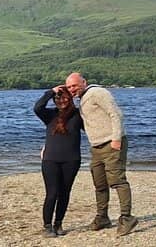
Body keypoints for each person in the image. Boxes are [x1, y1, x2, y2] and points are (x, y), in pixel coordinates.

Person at [64, 72, 138, 236]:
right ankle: (102, 217)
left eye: (74, 86)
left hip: (111, 143)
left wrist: (116, 139)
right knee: (100, 184)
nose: (71, 89)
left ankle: (127, 218)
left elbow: (116, 114)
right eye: (68, 87)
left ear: (84, 82)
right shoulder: (82, 99)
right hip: (96, 147)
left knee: (117, 180)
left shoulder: (97, 93)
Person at [33, 85, 83, 237]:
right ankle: (47, 226)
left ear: (70, 98)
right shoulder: (49, 115)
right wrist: (51, 92)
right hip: (50, 160)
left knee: (64, 193)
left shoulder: (78, 115)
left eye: (64, 97)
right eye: (58, 98)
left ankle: (58, 223)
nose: (61, 100)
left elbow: (93, 126)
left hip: (72, 160)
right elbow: (37, 107)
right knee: (52, 193)